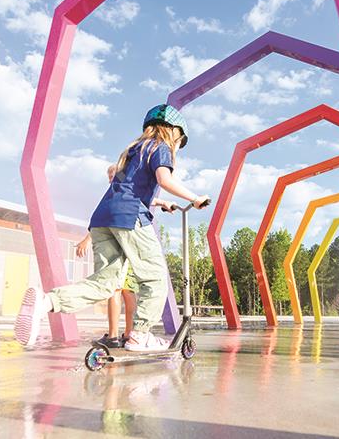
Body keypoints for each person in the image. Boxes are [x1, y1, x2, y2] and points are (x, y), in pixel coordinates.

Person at [14, 104, 210, 351]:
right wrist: (194, 198)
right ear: (172, 131)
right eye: (179, 140)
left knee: (104, 284)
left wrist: (161, 202)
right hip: (130, 218)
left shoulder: (131, 151)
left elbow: (127, 189)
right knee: (156, 278)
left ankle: (46, 302)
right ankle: (140, 335)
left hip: (103, 218)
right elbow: (164, 179)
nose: (178, 146)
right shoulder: (160, 147)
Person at [75, 164, 137, 349]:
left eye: (113, 174)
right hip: (129, 246)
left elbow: (102, 221)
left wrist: (87, 239)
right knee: (125, 291)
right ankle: (128, 334)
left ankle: (114, 336)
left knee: (117, 290)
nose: (110, 178)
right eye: (108, 176)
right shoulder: (127, 191)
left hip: (123, 246)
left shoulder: (117, 194)